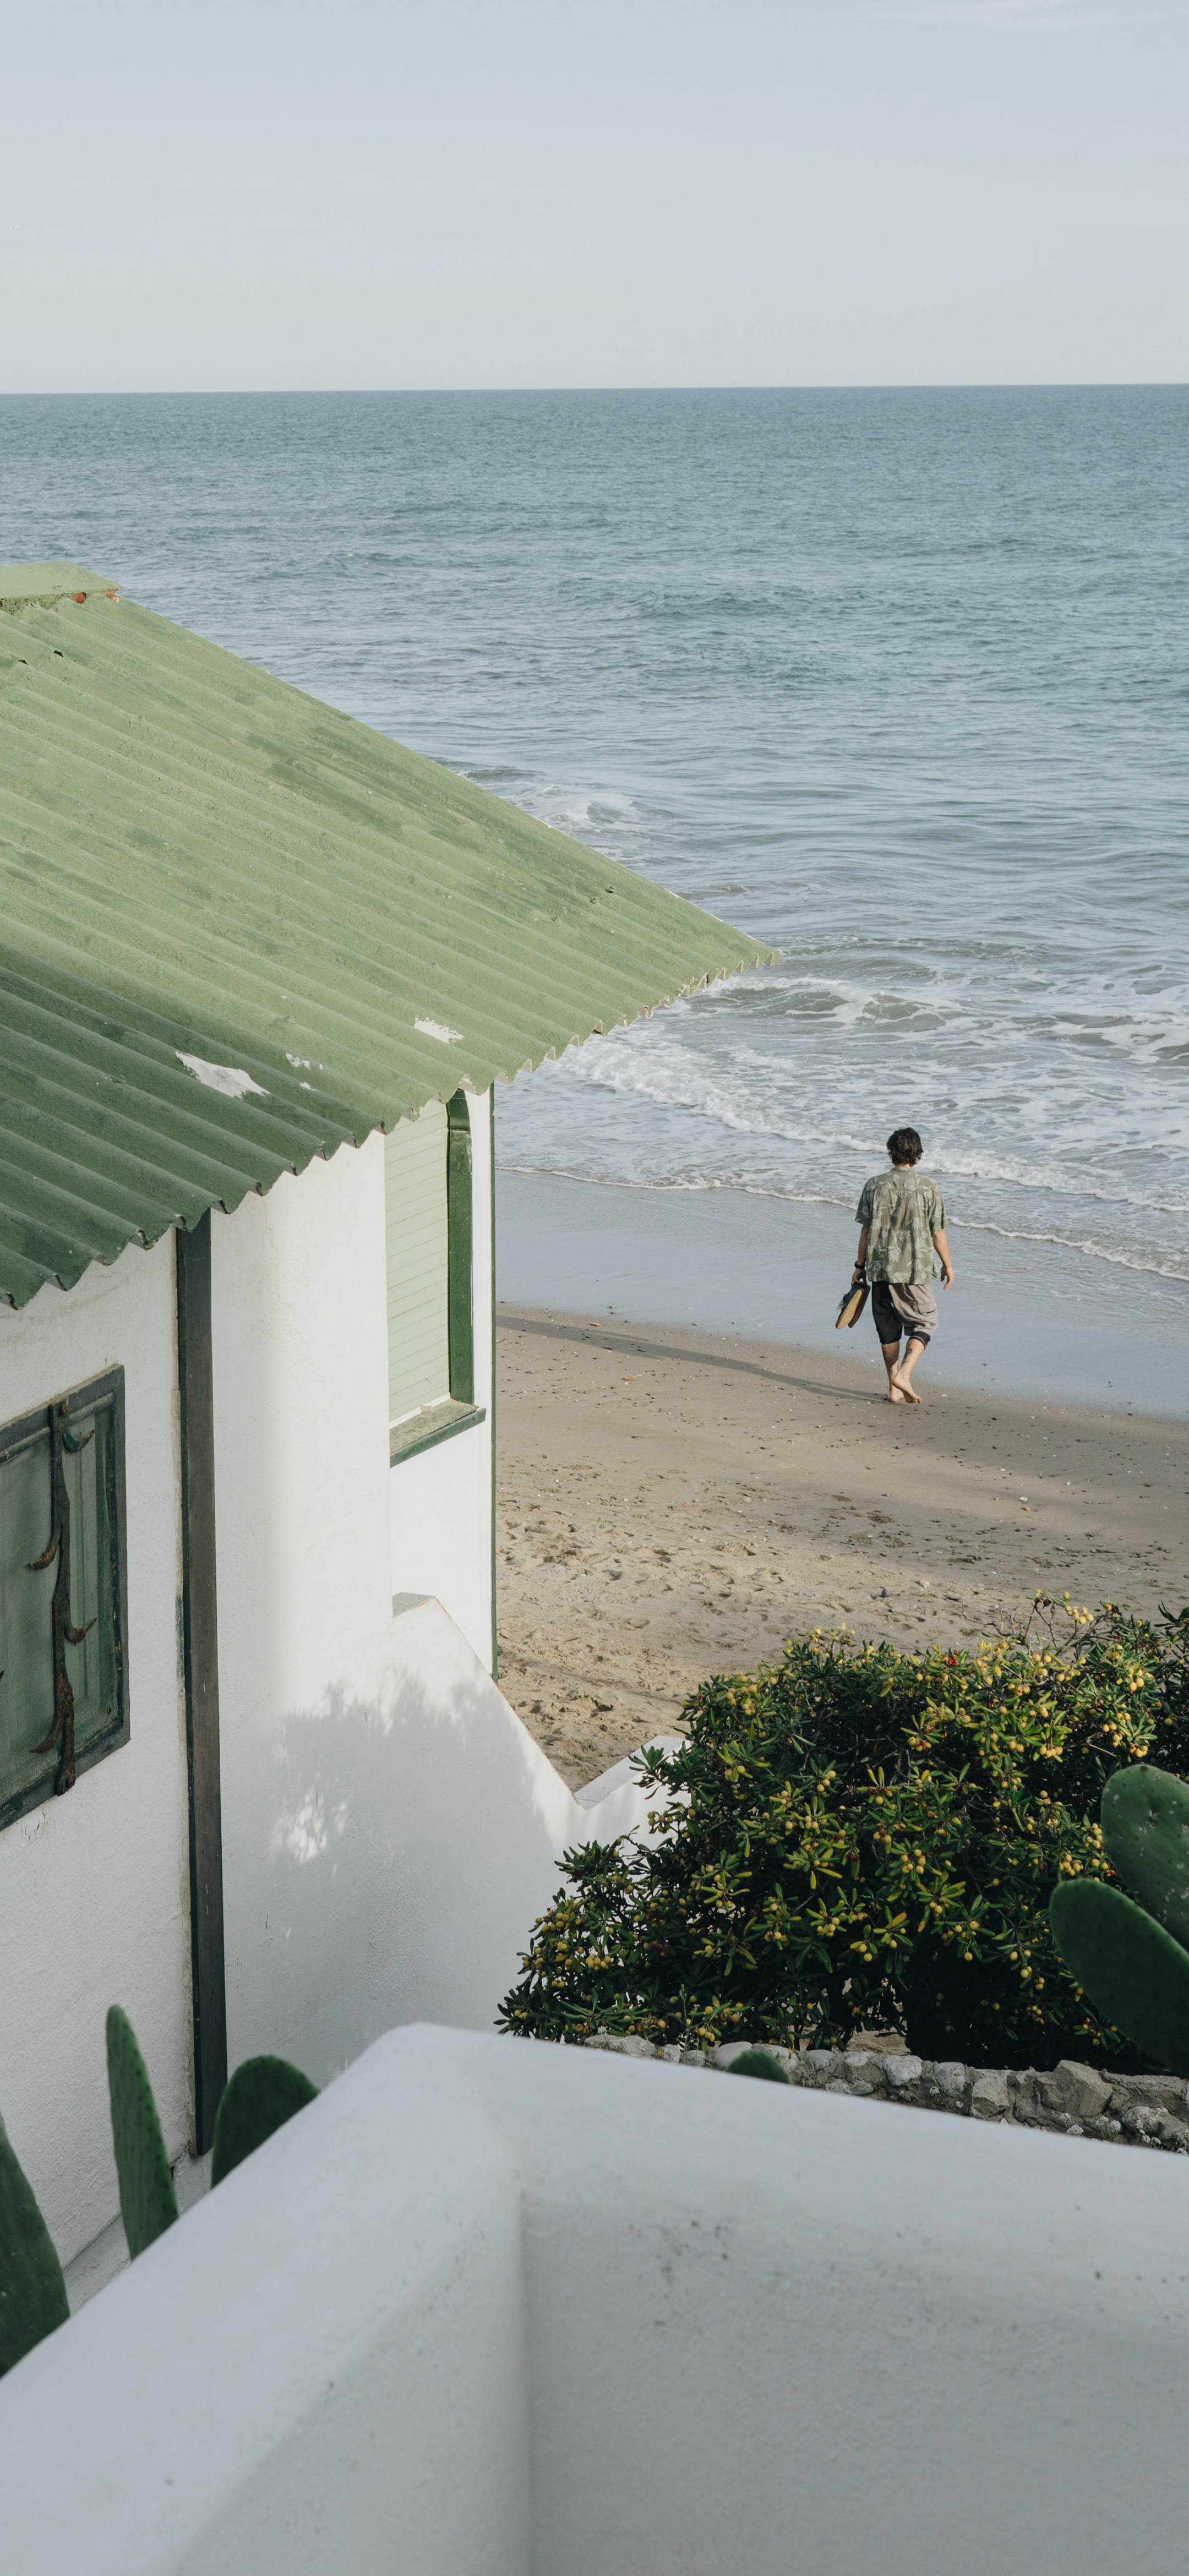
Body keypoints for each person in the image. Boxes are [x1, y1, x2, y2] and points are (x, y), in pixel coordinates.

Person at [853, 1127, 953, 1405]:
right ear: (917, 1153)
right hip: (914, 1269)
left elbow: (865, 1231)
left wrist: (859, 1267)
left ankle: (893, 1389)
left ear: (891, 1152)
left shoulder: (874, 1185)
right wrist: (947, 1264)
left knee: (888, 1329)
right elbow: (937, 1232)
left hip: (880, 1267)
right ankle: (904, 1375)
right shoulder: (928, 1188)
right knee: (927, 1322)